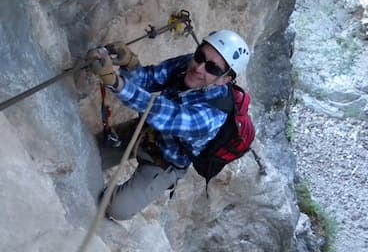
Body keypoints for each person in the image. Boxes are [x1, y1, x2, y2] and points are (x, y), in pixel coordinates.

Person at [87, 29, 251, 221]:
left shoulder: (211, 115)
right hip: (148, 131)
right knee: (87, 153)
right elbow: (149, 80)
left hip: (165, 162)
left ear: (226, 79)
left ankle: (115, 193)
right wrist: (130, 64)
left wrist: (116, 83)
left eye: (212, 69)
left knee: (117, 209)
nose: (199, 68)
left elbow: (165, 113)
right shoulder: (188, 64)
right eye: (200, 56)